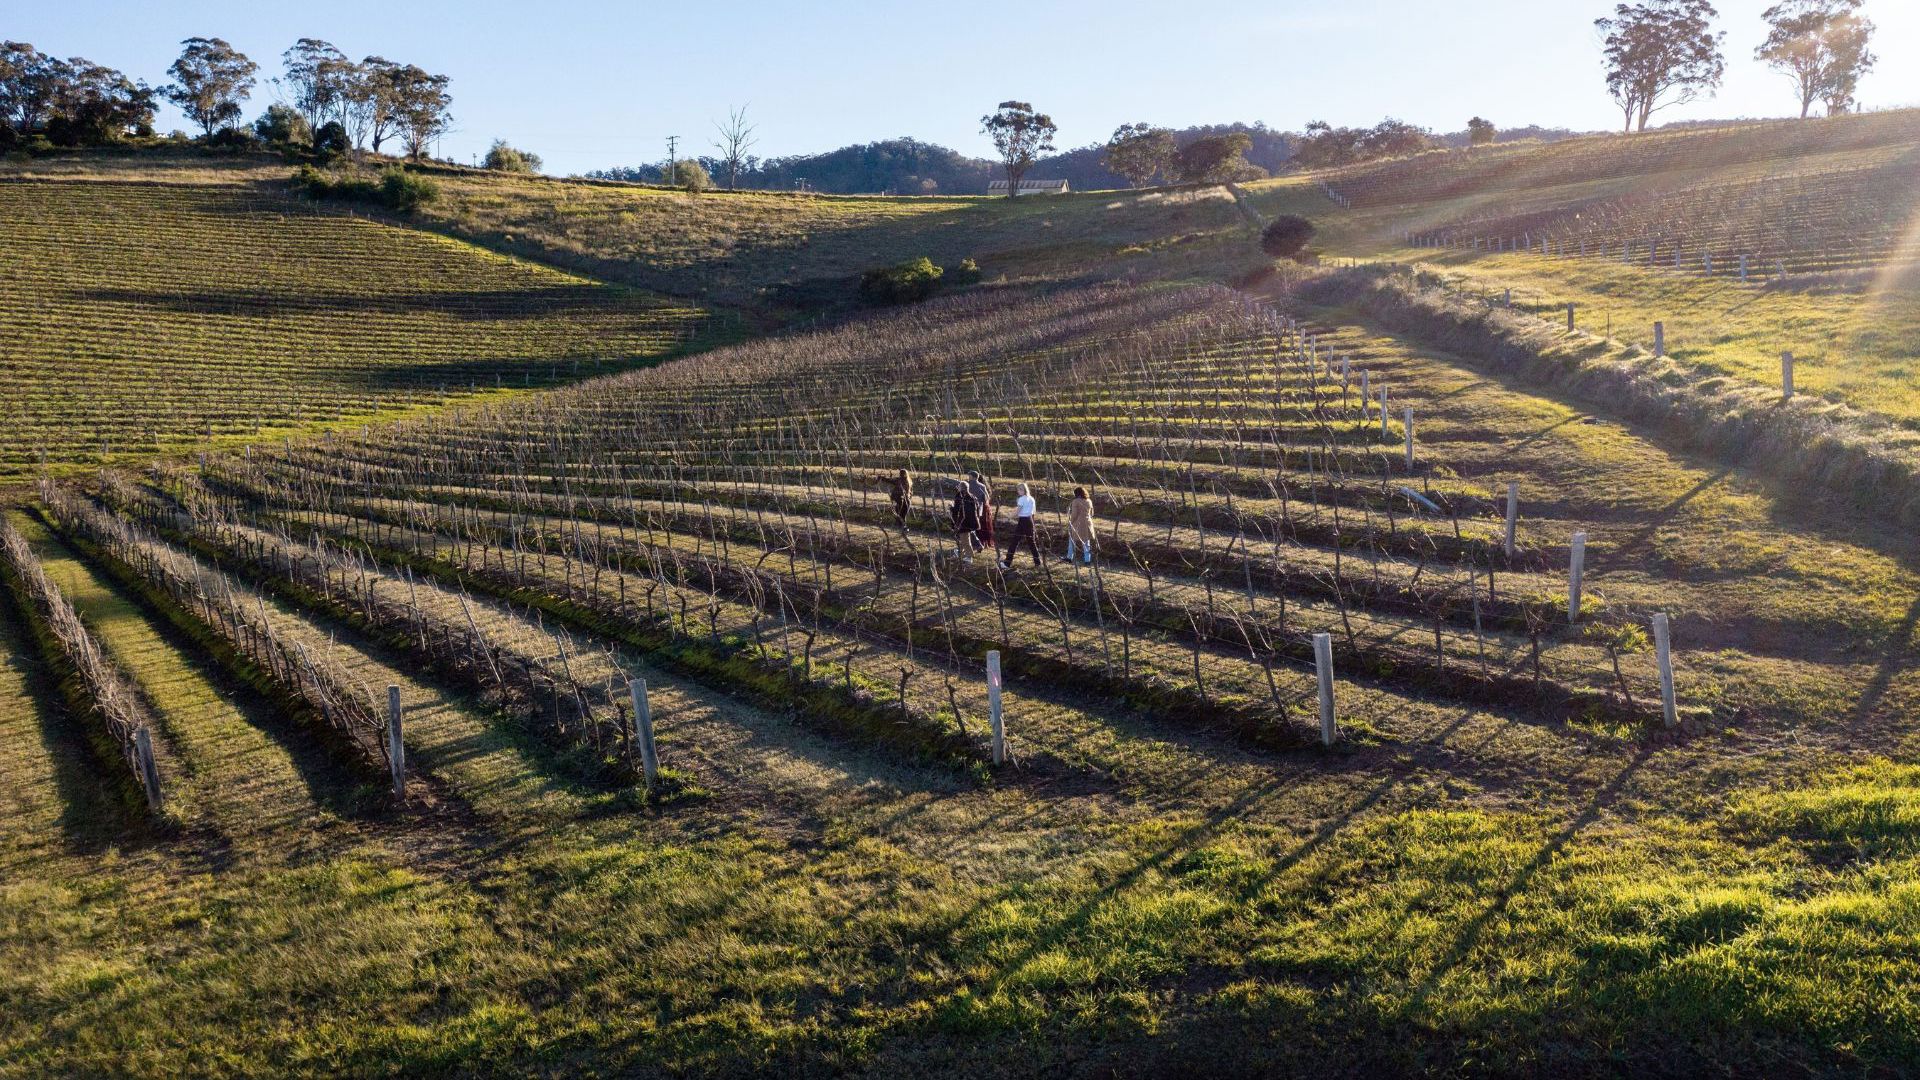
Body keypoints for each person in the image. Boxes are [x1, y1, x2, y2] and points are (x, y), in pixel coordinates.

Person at [1001, 482, 1040, 568]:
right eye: (1018, 489)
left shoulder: (1021, 499)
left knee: (1014, 542)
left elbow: (1017, 511)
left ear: (1024, 490)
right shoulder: (1031, 498)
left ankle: (1007, 563)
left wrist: (1008, 518)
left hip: (1023, 521)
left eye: (1020, 489)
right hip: (1029, 520)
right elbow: (1033, 512)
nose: (1018, 491)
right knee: (1031, 542)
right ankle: (1038, 562)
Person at [950, 477, 981, 558]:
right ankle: (959, 552)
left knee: (966, 541)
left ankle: (969, 557)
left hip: (964, 522)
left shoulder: (960, 497)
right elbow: (977, 509)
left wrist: (951, 508)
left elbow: (958, 511)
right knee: (964, 539)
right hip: (972, 521)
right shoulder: (972, 496)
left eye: (959, 487)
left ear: (960, 488)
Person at [1066, 486, 1095, 565]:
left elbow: (1074, 514)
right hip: (1088, 523)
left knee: (1072, 540)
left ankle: (1069, 557)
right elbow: (1092, 513)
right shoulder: (1089, 501)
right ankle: (1087, 560)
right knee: (1086, 542)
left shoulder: (1075, 501)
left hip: (1077, 523)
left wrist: (1070, 522)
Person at [967, 470, 993, 553]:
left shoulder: (968, 485)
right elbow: (986, 498)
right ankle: (981, 543)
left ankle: (976, 544)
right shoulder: (982, 486)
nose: (968, 477)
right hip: (981, 509)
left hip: (970, 509)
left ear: (972, 476)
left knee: (971, 527)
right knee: (980, 526)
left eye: (969, 476)